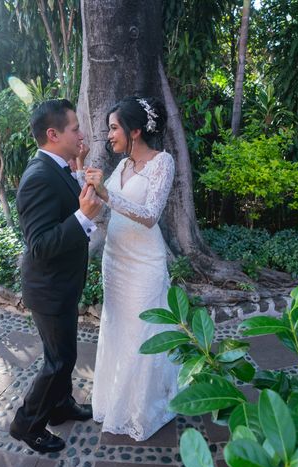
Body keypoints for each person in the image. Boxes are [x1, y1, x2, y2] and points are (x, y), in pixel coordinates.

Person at [81, 96, 179, 441]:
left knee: (143, 332)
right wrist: (93, 194)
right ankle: (114, 401)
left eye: (113, 128)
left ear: (135, 131)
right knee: (118, 329)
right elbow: (114, 210)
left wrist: (107, 194)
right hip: (116, 260)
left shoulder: (162, 162)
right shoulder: (122, 167)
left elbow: (150, 215)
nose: (108, 135)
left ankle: (143, 408)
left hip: (144, 264)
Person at [10, 99, 103, 453]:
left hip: (61, 285)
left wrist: (79, 165)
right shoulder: (37, 177)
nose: (81, 134)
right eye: (75, 128)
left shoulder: (57, 167)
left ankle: (61, 405)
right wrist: (82, 218)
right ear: (53, 134)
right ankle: (27, 423)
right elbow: (41, 244)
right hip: (48, 289)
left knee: (64, 354)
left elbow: (66, 199)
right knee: (59, 360)